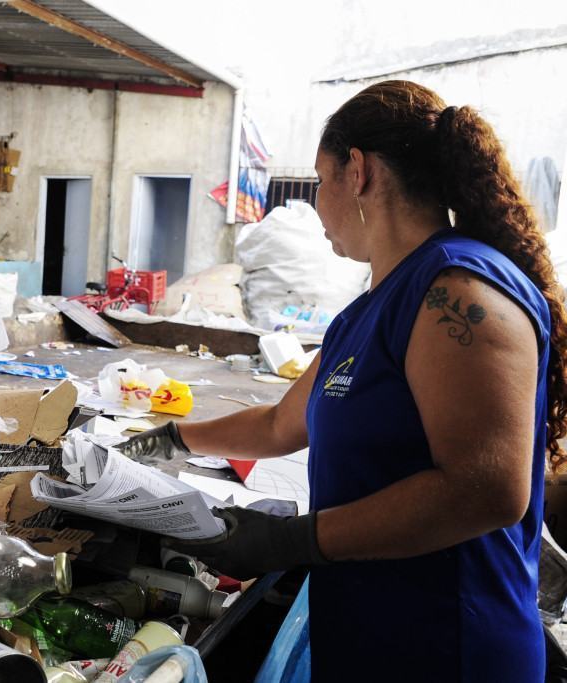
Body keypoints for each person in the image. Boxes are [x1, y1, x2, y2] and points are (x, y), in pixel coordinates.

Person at [122, 80, 566, 681]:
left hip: (449, 646)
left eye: (319, 179)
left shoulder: (455, 293)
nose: (317, 203)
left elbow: (486, 490)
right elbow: (281, 424)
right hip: (372, 632)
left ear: (357, 171)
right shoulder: (369, 308)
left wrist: (294, 540)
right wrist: (167, 441)